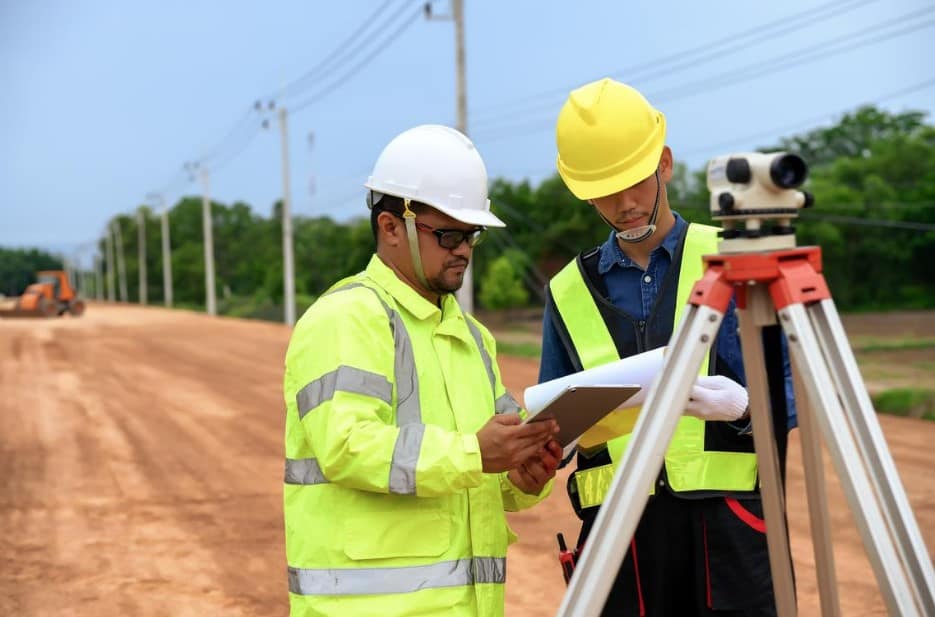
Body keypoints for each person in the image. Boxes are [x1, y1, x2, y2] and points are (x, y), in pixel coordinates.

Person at [282, 124, 563, 617]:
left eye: (471, 235)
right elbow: (346, 446)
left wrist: (521, 475)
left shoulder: (473, 337)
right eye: (449, 234)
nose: (464, 250)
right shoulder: (347, 317)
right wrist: (476, 453)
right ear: (391, 227)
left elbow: (480, 474)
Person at [540, 78, 796, 616]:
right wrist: (553, 439)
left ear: (664, 164)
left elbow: (794, 389)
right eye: (605, 190)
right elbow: (552, 420)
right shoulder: (566, 291)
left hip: (729, 531)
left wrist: (746, 407)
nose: (625, 204)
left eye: (634, 181)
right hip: (617, 537)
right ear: (583, 190)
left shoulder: (732, 259)